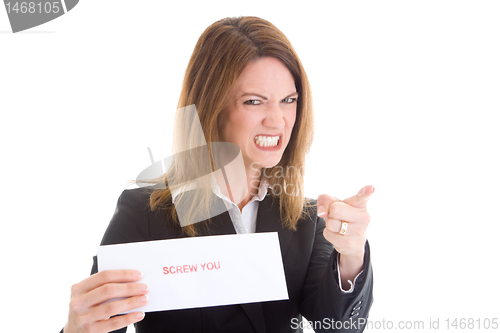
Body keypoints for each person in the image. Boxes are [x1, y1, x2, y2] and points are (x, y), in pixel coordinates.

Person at [62, 16, 374, 333]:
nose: (278, 121)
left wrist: (350, 256)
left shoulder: (305, 218)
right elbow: (101, 322)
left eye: (288, 100)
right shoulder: (144, 214)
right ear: (212, 107)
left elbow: (337, 326)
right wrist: (77, 328)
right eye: (254, 101)